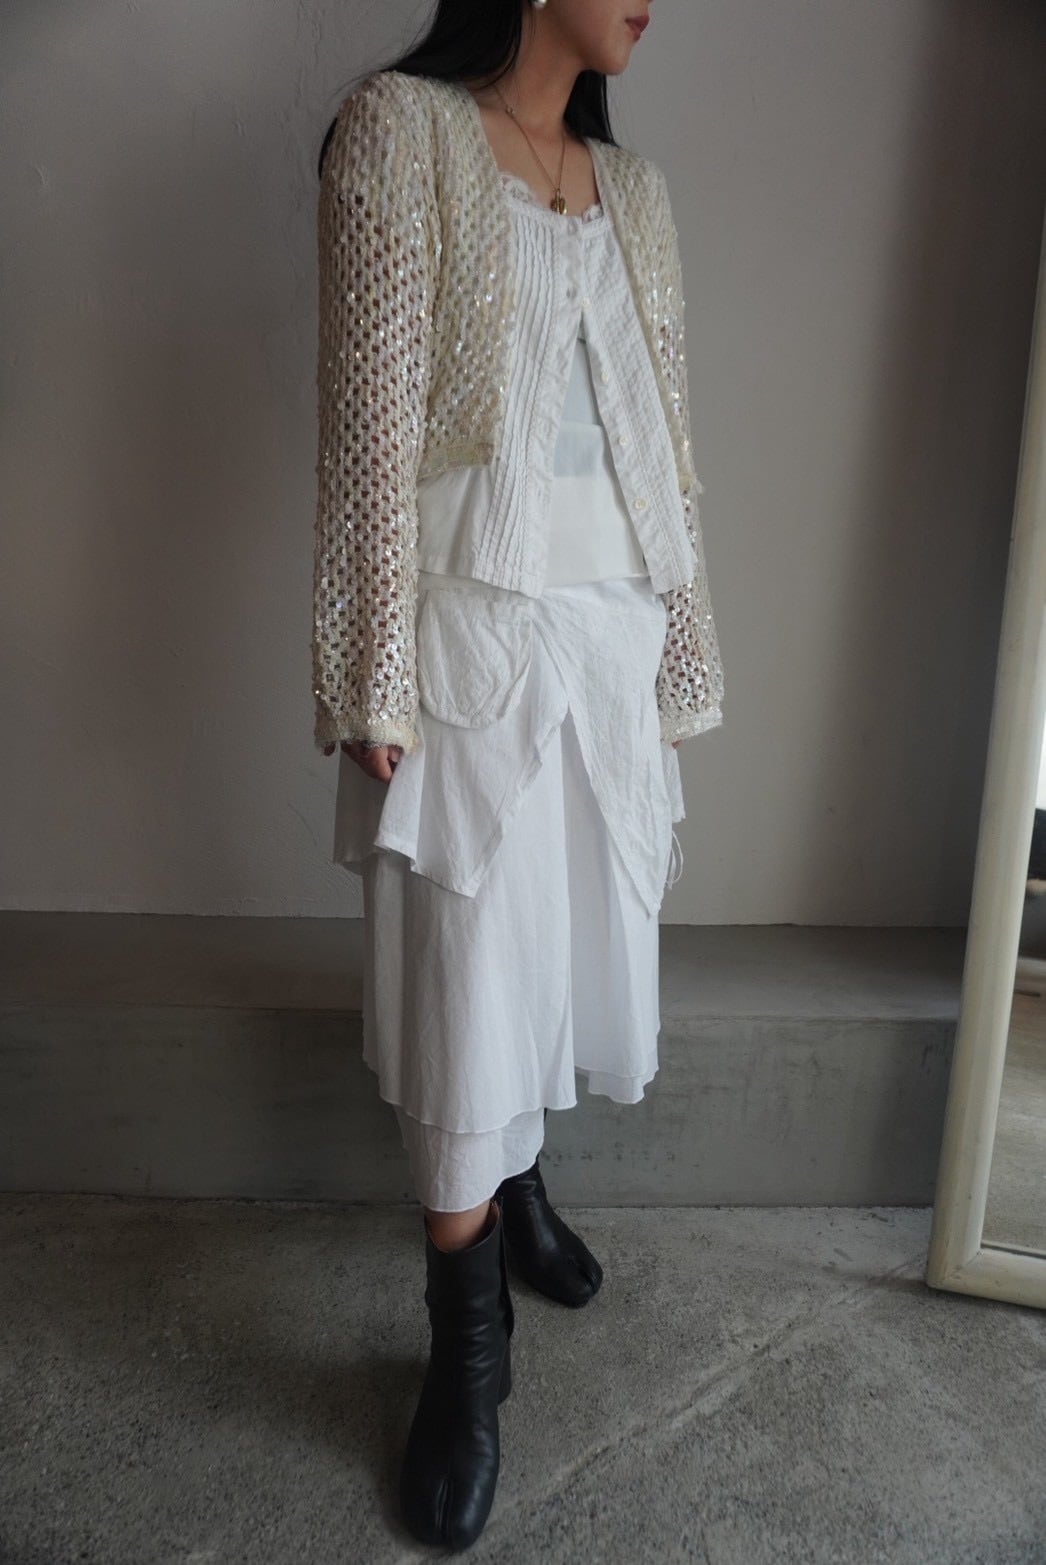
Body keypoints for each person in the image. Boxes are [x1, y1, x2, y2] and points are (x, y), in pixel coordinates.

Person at [312, 0, 724, 1549]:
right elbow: (368, 420)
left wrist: (680, 640)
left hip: (609, 625)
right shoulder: (399, 130)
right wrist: (372, 666)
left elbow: (664, 434)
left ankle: (524, 1180)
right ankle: (466, 1358)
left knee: (561, 941)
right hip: (469, 624)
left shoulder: (639, 190)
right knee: (466, 970)